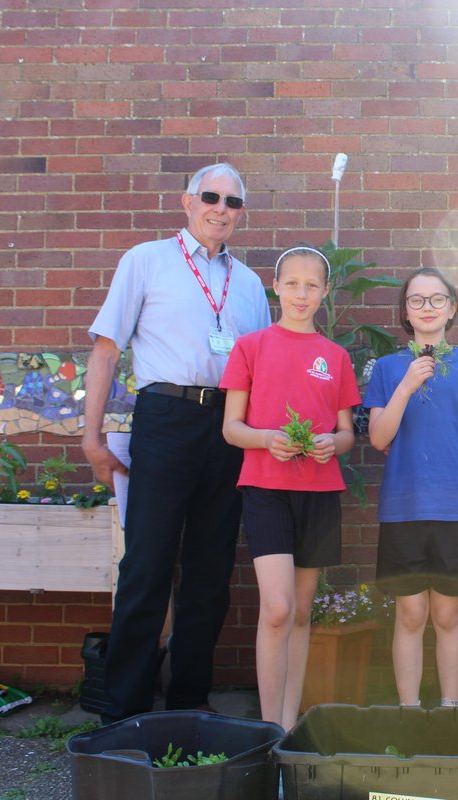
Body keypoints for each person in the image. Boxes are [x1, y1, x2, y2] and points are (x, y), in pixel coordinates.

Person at [81, 163, 272, 724]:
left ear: (241, 212)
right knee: (147, 563)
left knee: (212, 570)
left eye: (233, 202)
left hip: (230, 429)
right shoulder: (146, 260)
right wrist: (91, 438)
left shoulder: (251, 284)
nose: (221, 208)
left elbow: (263, 368)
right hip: (164, 419)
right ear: (187, 202)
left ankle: (189, 699)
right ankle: (125, 708)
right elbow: (106, 352)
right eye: (211, 197)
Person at [219, 245, 360, 728]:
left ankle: (289, 726)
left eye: (312, 285)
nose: (302, 293)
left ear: (324, 291)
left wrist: (330, 444)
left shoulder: (335, 356)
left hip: (319, 493)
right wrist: (266, 439)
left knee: (301, 611)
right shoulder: (250, 347)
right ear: (275, 287)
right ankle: (268, 729)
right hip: (266, 488)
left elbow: (346, 434)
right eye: (292, 283)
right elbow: (231, 428)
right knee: (276, 609)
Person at [364, 267, 458, 709]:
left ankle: (449, 710)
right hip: (403, 507)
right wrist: (407, 384)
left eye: (436, 299)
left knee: (448, 613)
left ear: (451, 307)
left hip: (454, 506)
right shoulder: (387, 368)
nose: (426, 307)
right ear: (405, 311)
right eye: (417, 300)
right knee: (411, 613)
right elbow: (379, 437)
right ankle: (409, 712)